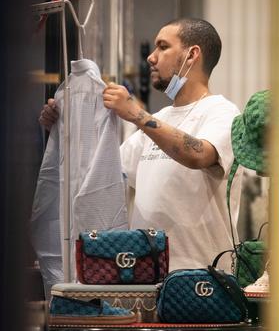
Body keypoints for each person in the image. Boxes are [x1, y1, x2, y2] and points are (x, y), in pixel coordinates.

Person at [39, 18, 243, 271]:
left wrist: (136, 113)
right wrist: (62, 129)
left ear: (192, 54)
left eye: (163, 47)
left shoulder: (223, 112)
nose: (151, 57)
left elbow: (199, 155)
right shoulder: (160, 120)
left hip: (202, 283)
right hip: (145, 279)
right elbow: (102, 172)